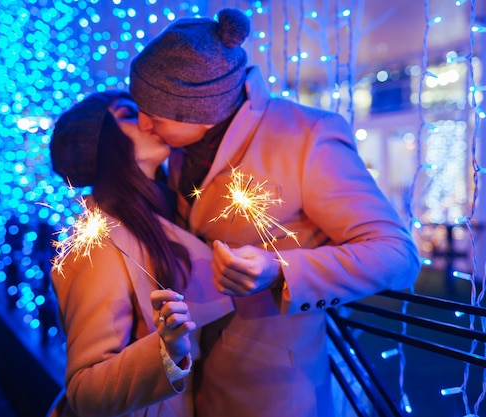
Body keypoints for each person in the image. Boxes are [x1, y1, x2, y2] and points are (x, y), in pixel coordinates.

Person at [129, 8, 422, 417]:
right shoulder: (181, 150)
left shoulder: (306, 136)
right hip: (197, 381)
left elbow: (397, 256)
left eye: (154, 114)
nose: (143, 124)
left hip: (275, 388)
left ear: (200, 108)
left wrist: (280, 270)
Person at [47, 91, 233, 417]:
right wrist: (165, 352)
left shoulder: (162, 216)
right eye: (129, 113)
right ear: (102, 141)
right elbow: (84, 390)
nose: (148, 121)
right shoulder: (96, 242)